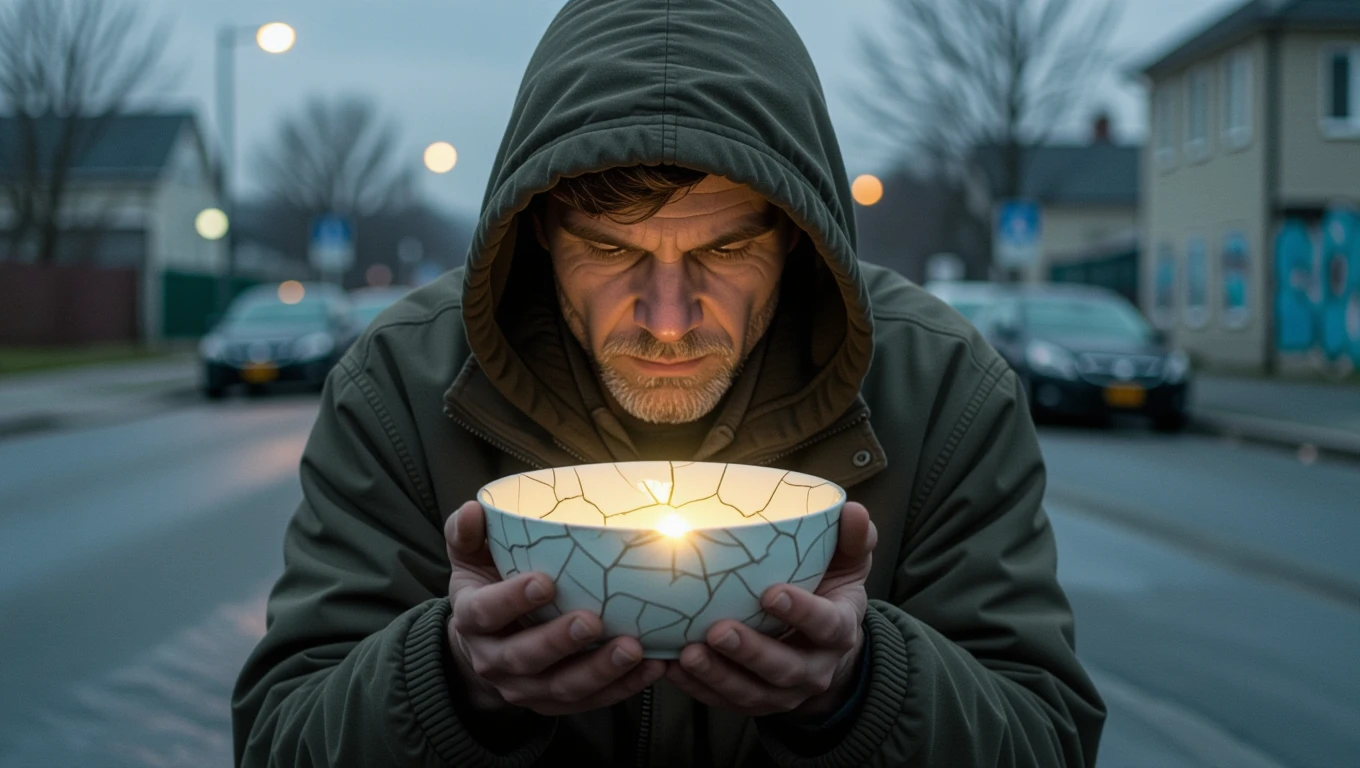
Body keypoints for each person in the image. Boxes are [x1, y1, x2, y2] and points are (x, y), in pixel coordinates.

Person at [231, 0, 1106, 765]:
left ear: (796, 236)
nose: (668, 317)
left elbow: (1046, 738)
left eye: (724, 251)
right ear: (537, 230)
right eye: (610, 251)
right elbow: (280, 740)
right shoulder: (401, 384)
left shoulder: (944, 385)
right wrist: (453, 680)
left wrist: (860, 686)